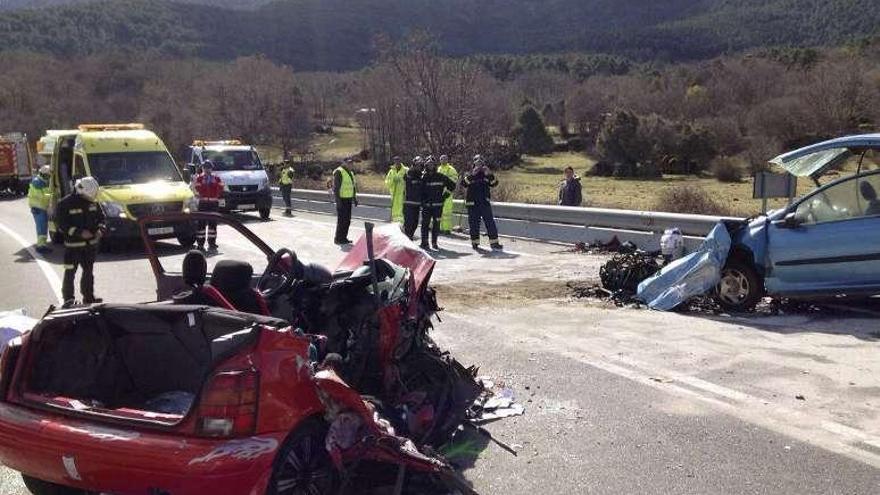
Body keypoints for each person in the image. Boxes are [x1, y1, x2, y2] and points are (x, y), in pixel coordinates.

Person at [55, 177, 105, 308]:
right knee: (70, 273)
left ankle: (89, 297)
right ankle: (68, 300)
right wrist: (78, 232)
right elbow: (62, 224)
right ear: (80, 191)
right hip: (73, 248)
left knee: (88, 272)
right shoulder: (64, 204)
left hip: (90, 247)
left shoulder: (93, 202)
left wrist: (100, 229)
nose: (91, 199)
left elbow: (101, 218)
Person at [462, 155, 503, 251]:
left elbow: (494, 184)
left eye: (480, 163)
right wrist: (472, 175)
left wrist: (490, 174)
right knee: (474, 224)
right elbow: (463, 184)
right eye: (477, 163)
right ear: (474, 163)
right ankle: (475, 243)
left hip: (484, 203)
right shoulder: (469, 173)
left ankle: (494, 243)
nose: (479, 165)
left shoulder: (486, 174)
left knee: (490, 223)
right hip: (472, 204)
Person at [420, 156, 457, 250]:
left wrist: (445, 196)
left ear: (435, 165)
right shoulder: (423, 177)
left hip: (438, 206)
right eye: (428, 165)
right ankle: (424, 243)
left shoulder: (440, 176)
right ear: (426, 166)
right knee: (425, 224)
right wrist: (422, 201)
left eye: (432, 164)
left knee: (436, 225)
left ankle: (434, 243)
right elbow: (419, 190)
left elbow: (452, 185)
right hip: (427, 206)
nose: (430, 166)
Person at [192, 161, 224, 251]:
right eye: (205, 168)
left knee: (212, 225)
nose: (207, 169)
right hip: (203, 203)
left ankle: (212, 243)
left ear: (211, 168)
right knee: (201, 225)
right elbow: (197, 189)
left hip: (213, 203)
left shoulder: (216, 178)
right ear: (203, 168)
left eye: (208, 167)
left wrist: (213, 183)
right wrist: (204, 183)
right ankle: (200, 244)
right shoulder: (199, 178)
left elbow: (221, 188)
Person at [28, 165, 53, 254]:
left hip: (39, 208)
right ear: (43, 174)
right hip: (39, 208)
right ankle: (40, 246)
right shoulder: (38, 182)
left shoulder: (40, 181)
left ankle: (43, 245)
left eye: (49, 176)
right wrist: (51, 196)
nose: (48, 177)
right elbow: (43, 196)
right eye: (47, 176)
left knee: (43, 227)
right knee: (41, 228)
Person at [333, 158, 358, 245]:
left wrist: (354, 198)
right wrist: (338, 201)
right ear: (344, 163)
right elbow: (336, 188)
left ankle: (344, 238)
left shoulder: (351, 173)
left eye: (351, 163)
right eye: (348, 163)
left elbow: (353, 186)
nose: (350, 165)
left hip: (348, 200)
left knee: (347, 220)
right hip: (342, 200)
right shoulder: (339, 172)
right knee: (342, 220)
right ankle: (338, 238)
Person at [402, 156, 425, 240]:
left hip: (417, 204)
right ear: (414, 165)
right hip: (409, 203)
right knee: (409, 223)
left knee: (415, 223)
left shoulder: (421, 176)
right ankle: (406, 239)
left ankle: (410, 236)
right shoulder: (410, 173)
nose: (419, 166)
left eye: (420, 165)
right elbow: (407, 183)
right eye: (417, 165)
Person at [437, 154, 459, 233]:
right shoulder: (438, 169)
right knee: (439, 211)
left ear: (447, 160)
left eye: (445, 159)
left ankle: (446, 229)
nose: (443, 160)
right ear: (440, 160)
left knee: (447, 212)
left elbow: (454, 179)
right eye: (442, 159)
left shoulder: (451, 169)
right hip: (439, 193)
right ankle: (439, 228)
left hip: (447, 193)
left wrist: (447, 183)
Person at [385, 156, 408, 224]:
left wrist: (402, 180)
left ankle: (402, 225)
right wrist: (393, 180)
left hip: (402, 195)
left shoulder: (406, 170)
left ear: (400, 161)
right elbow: (387, 182)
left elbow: (408, 181)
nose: (397, 162)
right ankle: (395, 225)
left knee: (402, 211)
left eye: (398, 161)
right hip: (394, 195)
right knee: (394, 212)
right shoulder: (391, 171)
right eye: (395, 161)